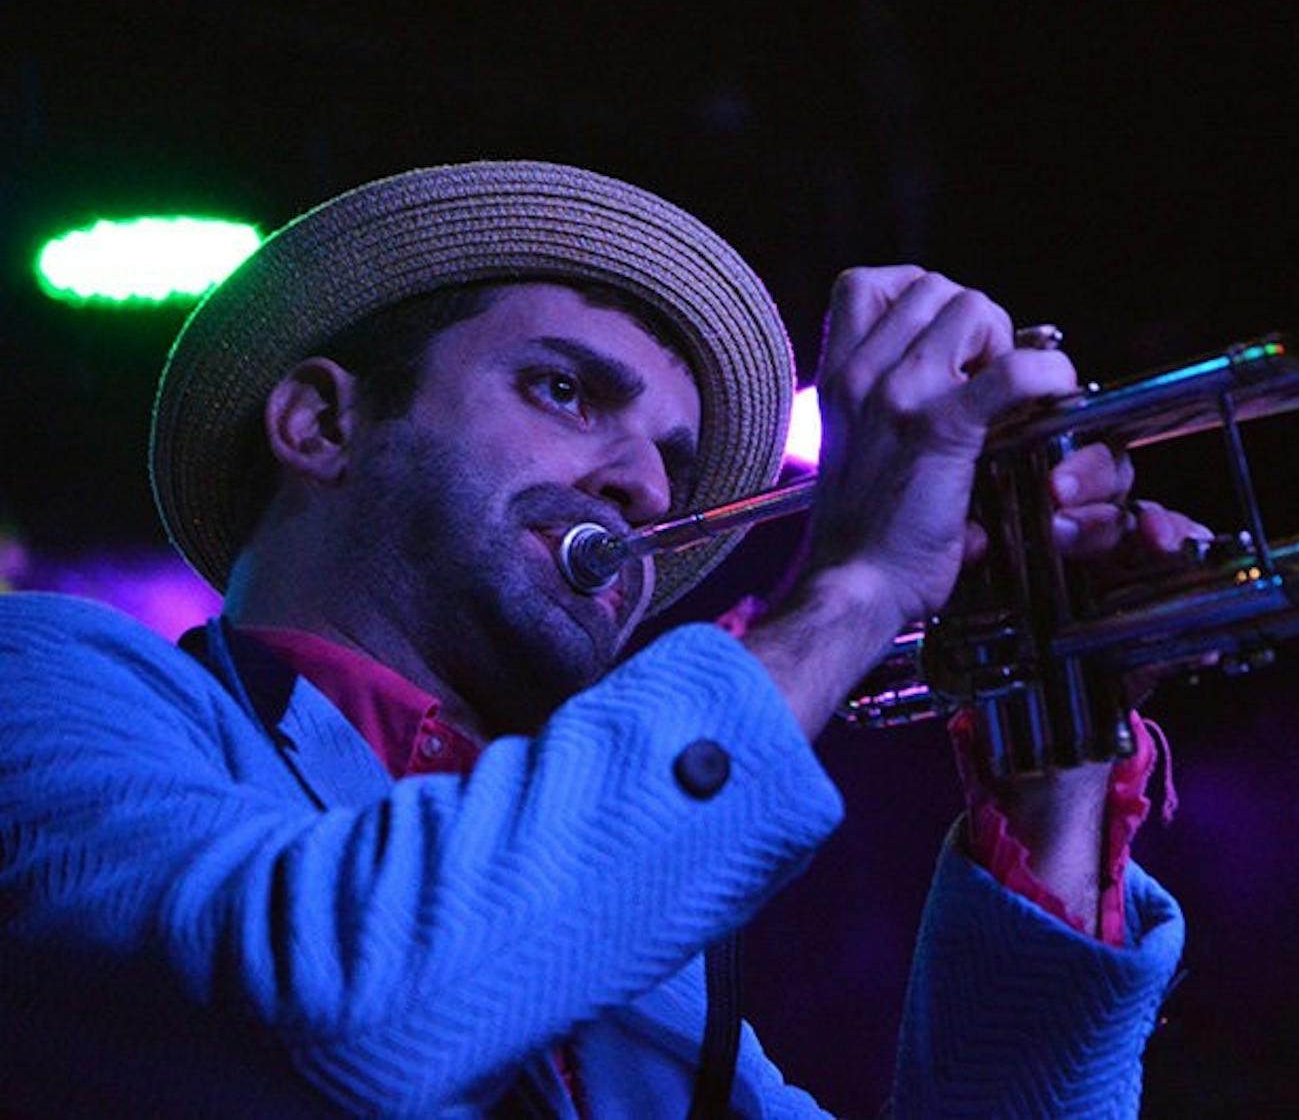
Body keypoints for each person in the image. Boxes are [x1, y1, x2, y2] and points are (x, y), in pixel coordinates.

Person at [0, 161, 1190, 1116]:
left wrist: (1058, 769)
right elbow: (342, 1014)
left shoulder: (647, 965)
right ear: (320, 424)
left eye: (674, 459)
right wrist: (859, 582)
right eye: (567, 392)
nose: (642, 489)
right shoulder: (53, 678)